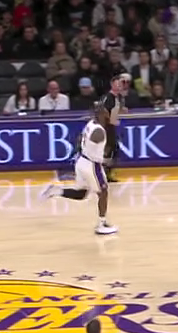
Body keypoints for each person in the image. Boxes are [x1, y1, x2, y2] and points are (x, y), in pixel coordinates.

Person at [41, 104, 118, 235]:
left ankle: (57, 190)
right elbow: (102, 144)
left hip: (82, 161)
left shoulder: (90, 124)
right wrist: (104, 159)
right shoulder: (99, 131)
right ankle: (101, 224)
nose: (108, 114)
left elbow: (80, 138)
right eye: (106, 112)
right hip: (92, 165)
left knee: (81, 193)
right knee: (103, 192)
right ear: (101, 114)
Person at [99, 73, 129, 182]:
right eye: (117, 84)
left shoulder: (118, 97)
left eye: (121, 84)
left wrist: (121, 110)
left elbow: (114, 109)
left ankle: (107, 173)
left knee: (113, 149)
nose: (119, 86)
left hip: (110, 127)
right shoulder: (108, 97)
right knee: (108, 150)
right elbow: (103, 110)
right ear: (112, 84)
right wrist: (111, 120)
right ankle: (103, 173)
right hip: (106, 127)